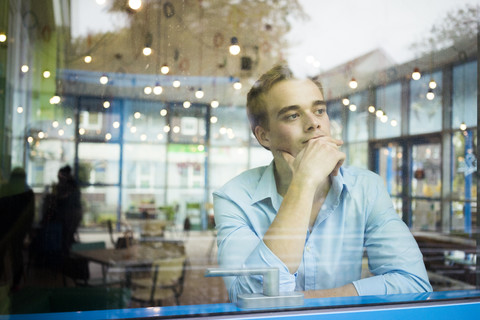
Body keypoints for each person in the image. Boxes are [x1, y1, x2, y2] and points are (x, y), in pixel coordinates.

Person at [213, 64, 432, 303]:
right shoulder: (234, 197)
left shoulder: (366, 187)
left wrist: (304, 300)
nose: (313, 123)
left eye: (319, 110)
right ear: (264, 136)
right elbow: (249, 299)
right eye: (293, 115)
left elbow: (414, 284)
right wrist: (303, 183)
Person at [0, 167, 35, 291]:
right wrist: (29, 231)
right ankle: (16, 283)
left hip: (4, 228)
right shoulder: (28, 193)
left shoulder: (6, 189)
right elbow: (31, 215)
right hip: (19, 230)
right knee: (17, 255)